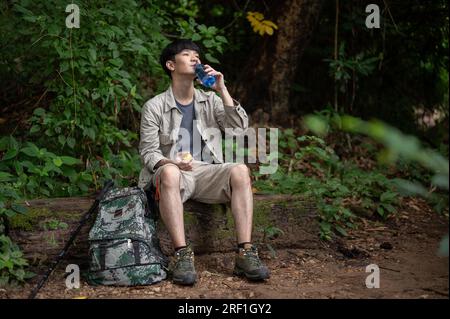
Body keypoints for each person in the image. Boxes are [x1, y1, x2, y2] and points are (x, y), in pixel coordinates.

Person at [138, 39, 269, 285]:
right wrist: (172, 163)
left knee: (240, 170)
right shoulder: (154, 106)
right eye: (186, 54)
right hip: (174, 174)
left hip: (206, 172)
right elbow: (148, 152)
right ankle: (181, 255)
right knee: (168, 173)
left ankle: (245, 253)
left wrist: (222, 89)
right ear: (170, 65)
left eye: (197, 55)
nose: (194, 58)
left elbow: (238, 129)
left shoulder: (211, 100)